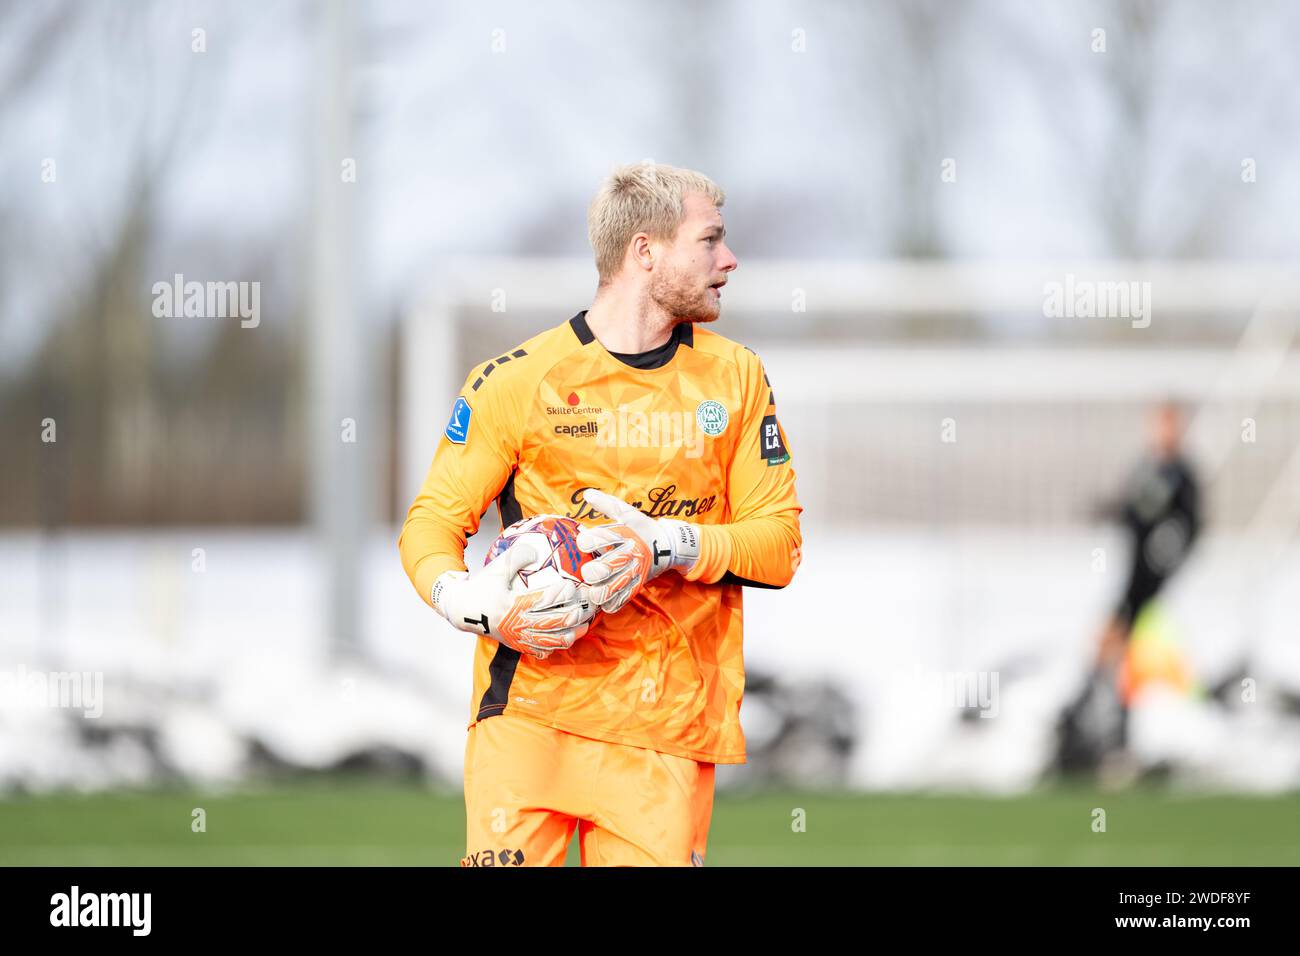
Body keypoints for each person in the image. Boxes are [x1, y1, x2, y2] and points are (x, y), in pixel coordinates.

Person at [398, 163, 803, 866]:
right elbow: (432, 522)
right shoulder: (518, 381)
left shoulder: (735, 378)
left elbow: (780, 544)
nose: (729, 260)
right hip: (526, 718)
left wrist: (669, 545)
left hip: (664, 733)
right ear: (645, 252)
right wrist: (464, 599)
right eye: (710, 241)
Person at [1058, 401, 1201, 773]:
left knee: (1137, 668)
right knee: (1108, 659)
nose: (1163, 432)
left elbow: (1190, 527)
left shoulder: (1183, 475)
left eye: (1170, 425)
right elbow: (1132, 511)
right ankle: (1097, 742)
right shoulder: (1146, 469)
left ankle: (1124, 750)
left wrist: (1171, 554)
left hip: (1157, 593)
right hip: (1134, 587)